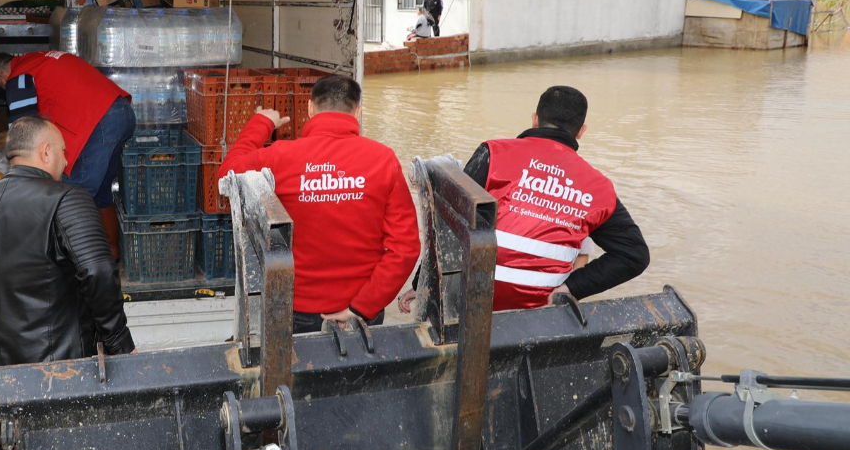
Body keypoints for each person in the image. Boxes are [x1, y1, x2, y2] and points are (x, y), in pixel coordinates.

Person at [400, 86, 649, 314]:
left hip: (472, 302)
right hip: (539, 312)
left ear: (535, 119)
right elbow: (634, 255)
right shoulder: (598, 187)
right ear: (581, 131)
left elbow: (450, 224)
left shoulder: (494, 153)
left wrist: (422, 284)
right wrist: (573, 288)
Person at [218, 75, 419, 333]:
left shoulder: (282, 156)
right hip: (361, 315)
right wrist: (362, 307)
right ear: (357, 112)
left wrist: (263, 122)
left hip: (296, 311)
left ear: (311, 109)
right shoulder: (384, 160)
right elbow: (405, 247)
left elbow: (227, 176)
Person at [0, 115, 135, 367]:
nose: (67, 160)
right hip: (57, 371)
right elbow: (98, 271)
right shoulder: (69, 200)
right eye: (63, 151)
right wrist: (120, 345)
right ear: (46, 152)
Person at [0, 51, 135, 254]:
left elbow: (23, 134)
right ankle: (111, 252)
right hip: (122, 112)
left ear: (1, 79)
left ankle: (73, 262)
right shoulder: (37, 60)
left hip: (100, 122)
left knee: (73, 194)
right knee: (101, 193)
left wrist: (19, 183)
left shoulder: (18, 78)